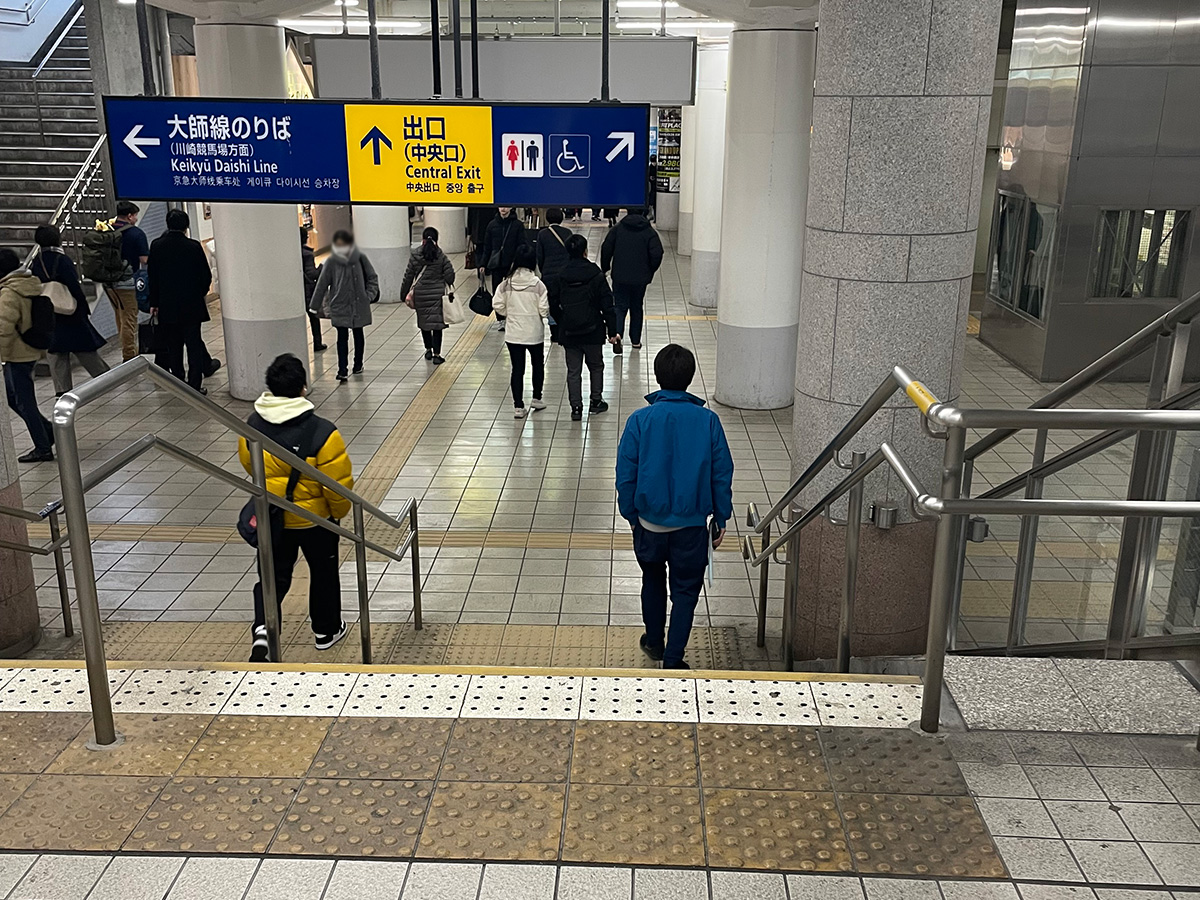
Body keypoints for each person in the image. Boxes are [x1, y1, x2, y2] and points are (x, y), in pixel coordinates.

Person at [616, 344, 734, 669]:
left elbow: (625, 473)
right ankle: (673, 658)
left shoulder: (640, 420)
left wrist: (631, 515)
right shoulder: (708, 421)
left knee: (652, 580)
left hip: (648, 524)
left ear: (657, 376)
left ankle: (654, 641)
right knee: (685, 593)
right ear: (690, 377)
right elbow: (721, 473)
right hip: (692, 526)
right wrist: (721, 517)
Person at [238, 353, 353, 662]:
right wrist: (337, 514)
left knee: (273, 575)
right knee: (323, 571)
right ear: (304, 387)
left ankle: (264, 628)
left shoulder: (252, 425)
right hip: (315, 521)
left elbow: (250, 464)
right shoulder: (322, 432)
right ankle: (326, 631)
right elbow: (337, 486)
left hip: (272, 515)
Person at [545, 234, 619, 421]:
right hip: (593, 329)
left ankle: (576, 407)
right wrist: (612, 331)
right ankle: (596, 401)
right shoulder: (595, 274)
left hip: (569, 331)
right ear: (585, 251)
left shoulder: (560, 275)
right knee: (596, 366)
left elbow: (552, 303)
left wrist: (562, 321)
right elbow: (607, 304)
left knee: (573, 370)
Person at [31, 224, 109, 396]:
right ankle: (106, 379)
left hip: (50, 313)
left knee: (56, 354)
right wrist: (82, 306)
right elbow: (73, 285)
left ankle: (62, 390)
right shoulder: (62, 260)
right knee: (86, 350)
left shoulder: (37, 261)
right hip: (70, 312)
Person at [148, 209, 214, 393]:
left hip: (167, 305)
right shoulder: (193, 247)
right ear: (186, 226)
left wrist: (154, 302)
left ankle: (178, 380)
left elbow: (152, 277)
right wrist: (199, 293)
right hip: (191, 305)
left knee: (173, 345)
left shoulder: (157, 245)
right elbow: (205, 276)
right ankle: (195, 385)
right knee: (193, 345)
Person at [0, 248, 53, 462]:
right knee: (13, 398)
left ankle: (43, 447)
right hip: (28, 349)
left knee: (23, 401)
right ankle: (47, 431)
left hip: (17, 353)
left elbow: (3, 327)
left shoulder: (9, 292)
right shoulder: (27, 283)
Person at [310, 229, 378, 382]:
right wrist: (314, 306)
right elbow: (322, 284)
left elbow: (372, 277)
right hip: (340, 305)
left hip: (358, 304)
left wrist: (368, 296)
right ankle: (342, 369)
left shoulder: (360, 258)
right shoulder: (332, 261)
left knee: (358, 334)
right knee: (342, 338)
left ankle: (358, 364)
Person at [492, 244, 549, 419]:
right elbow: (544, 309)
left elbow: (497, 305)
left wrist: (509, 313)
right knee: (537, 364)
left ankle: (518, 406)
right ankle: (537, 398)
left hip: (513, 333)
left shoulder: (505, 283)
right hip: (534, 332)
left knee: (517, 368)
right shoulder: (538, 284)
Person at [601, 206, 664, 356]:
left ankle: (617, 335)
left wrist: (605, 268)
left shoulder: (618, 229)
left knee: (620, 306)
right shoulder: (649, 232)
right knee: (636, 307)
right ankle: (635, 340)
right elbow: (657, 253)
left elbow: (606, 248)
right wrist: (650, 270)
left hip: (620, 276)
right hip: (640, 278)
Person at [400, 226, 457, 366]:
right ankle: (437, 355)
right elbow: (450, 277)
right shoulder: (441, 255)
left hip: (421, 295)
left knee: (424, 323)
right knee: (437, 325)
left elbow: (408, 276)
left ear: (422, 240)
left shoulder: (415, 255)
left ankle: (428, 350)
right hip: (437, 296)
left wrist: (403, 294)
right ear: (437, 240)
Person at [103, 200, 148, 362]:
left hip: (108, 283)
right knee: (129, 319)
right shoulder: (136, 234)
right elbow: (144, 260)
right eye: (135, 216)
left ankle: (127, 351)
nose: (136, 219)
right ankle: (129, 356)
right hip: (127, 283)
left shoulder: (106, 230)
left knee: (120, 318)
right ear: (129, 216)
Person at [479, 207, 528, 330]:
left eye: (506, 207)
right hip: (497, 264)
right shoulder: (492, 225)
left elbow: (522, 244)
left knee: (513, 291)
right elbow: (487, 247)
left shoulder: (517, 225)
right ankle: (501, 319)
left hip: (512, 264)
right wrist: (483, 264)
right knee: (498, 291)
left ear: (511, 208)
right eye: (501, 207)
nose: (503, 209)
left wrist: (520, 262)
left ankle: (512, 316)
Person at [300, 227, 326, 352]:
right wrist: (321, 267)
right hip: (308, 291)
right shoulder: (307, 255)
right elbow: (312, 274)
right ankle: (317, 343)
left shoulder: (291, 253)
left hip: (297, 291)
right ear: (306, 238)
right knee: (314, 318)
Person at [535, 207, 572, 285]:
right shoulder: (567, 232)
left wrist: (543, 270)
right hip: (565, 272)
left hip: (548, 272)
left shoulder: (542, 234)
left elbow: (539, 255)